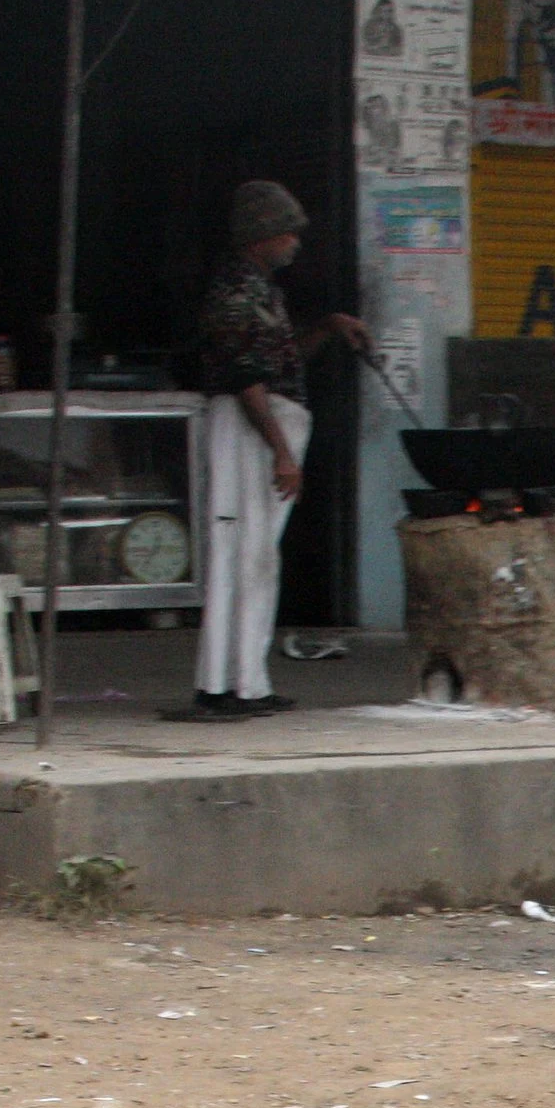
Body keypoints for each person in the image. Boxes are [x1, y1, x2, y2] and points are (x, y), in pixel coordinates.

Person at [181, 181, 366, 721]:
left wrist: (331, 327)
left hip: (261, 426)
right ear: (261, 235)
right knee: (245, 554)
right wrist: (281, 452)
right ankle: (230, 686)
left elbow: (281, 361)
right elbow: (246, 378)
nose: (295, 242)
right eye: (288, 231)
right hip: (249, 430)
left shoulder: (262, 289)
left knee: (252, 555)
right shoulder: (237, 291)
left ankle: (239, 682)